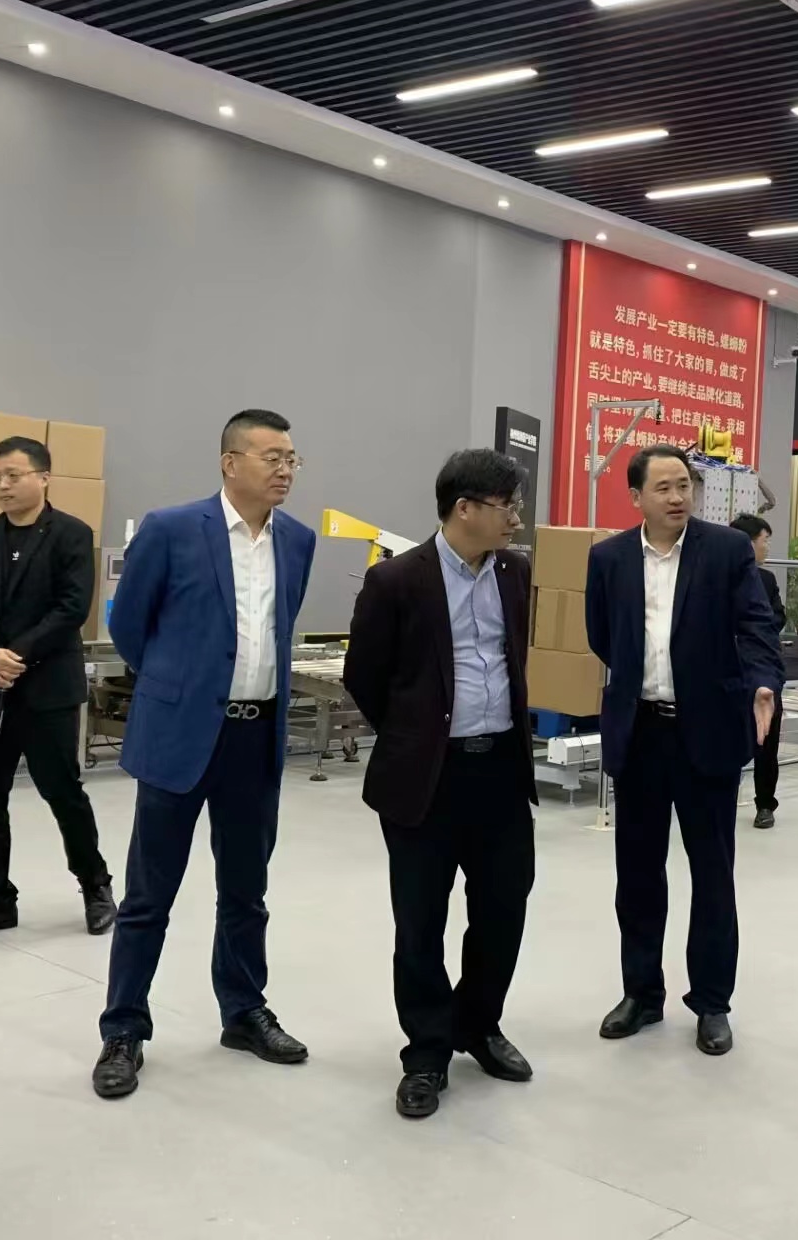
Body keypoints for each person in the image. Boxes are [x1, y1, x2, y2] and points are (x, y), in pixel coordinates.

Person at [91, 409, 317, 1101]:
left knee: (246, 890)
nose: (284, 470)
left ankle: (244, 1011)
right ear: (229, 462)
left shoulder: (298, 541)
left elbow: (280, 629)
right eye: (272, 457)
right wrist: (178, 688)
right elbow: (129, 626)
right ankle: (123, 1029)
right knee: (148, 896)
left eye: (291, 459)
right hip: (181, 734)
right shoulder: (171, 529)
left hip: (256, 735)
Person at [342, 450, 536, 1120]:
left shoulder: (515, 572)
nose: (516, 518)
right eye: (507, 505)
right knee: (420, 920)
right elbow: (365, 675)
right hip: (426, 778)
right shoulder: (397, 580)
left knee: (503, 909)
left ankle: (478, 1025)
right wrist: (413, 735)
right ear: (465, 509)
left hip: (501, 772)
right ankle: (426, 1051)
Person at [585, 445, 783, 1057]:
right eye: (664, 487)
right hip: (640, 733)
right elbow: (602, 635)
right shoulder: (609, 558)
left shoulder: (726, 550)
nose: (678, 497)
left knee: (712, 874)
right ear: (636, 497)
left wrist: (762, 683)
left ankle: (712, 1002)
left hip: (707, 732)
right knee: (638, 875)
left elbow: (756, 625)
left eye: (685, 486)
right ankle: (642, 993)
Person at [0, 436, 112, 940]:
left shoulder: (71, 535)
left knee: (62, 792)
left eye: (13, 475)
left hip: (47, 690)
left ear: (44, 478)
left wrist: (15, 656)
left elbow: (71, 608)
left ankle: (96, 886)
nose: (3, 485)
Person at [730, 514, 787, 829]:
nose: (767, 547)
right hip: (729, 670)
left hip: (763, 667)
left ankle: (765, 803)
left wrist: (758, 628)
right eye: (764, 540)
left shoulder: (766, 580)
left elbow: (777, 617)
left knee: (768, 740)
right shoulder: (717, 577)